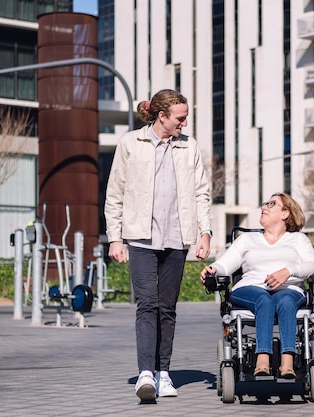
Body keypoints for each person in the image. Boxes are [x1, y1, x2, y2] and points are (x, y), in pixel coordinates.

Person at [105, 89, 213, 401]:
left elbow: (201, 193)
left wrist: (204, 232)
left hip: (177, 238)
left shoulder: (188, 146)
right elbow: (115, 193)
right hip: (140, 237)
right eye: (181, 117)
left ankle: (164, 373)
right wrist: (115, 237)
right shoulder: (130, 143)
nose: (185, 121)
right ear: (161, 116)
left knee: (167, 308)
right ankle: (145, 374)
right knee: (147, 304)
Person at [200, 192, 314, 379]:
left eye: (272, 204)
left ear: (285, 213)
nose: (264, 207)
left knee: (286, 301)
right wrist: (213, 269)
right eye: (265, 203)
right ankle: (262, 358)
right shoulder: (247, 240)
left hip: (288, 288)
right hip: (251, 288)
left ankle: (287, 360)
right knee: (264, 300)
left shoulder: (298, 240)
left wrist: (288, 271)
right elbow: (225, 264)